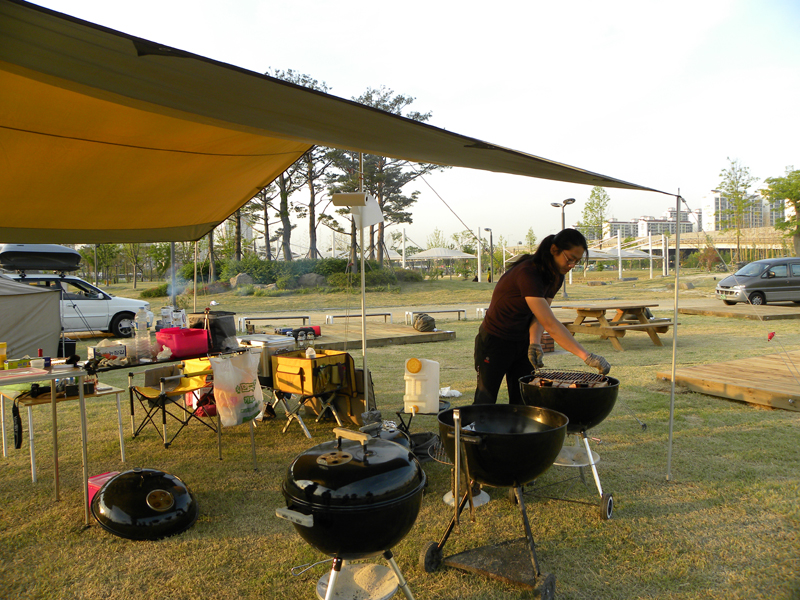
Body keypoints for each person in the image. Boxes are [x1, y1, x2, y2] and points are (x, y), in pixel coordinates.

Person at [473, 228, 610, 405]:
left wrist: (534, 343)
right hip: (495, 340)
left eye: (577, 261)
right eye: (570, 259)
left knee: (523, 400)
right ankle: (476, 433)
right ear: (554, 250)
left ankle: (519, 433)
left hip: (521, 342)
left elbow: (539, 316)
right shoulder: (528, 273)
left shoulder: (556, 276)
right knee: (485, 399)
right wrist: (587, 356)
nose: (571, 266)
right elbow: (550, 324)